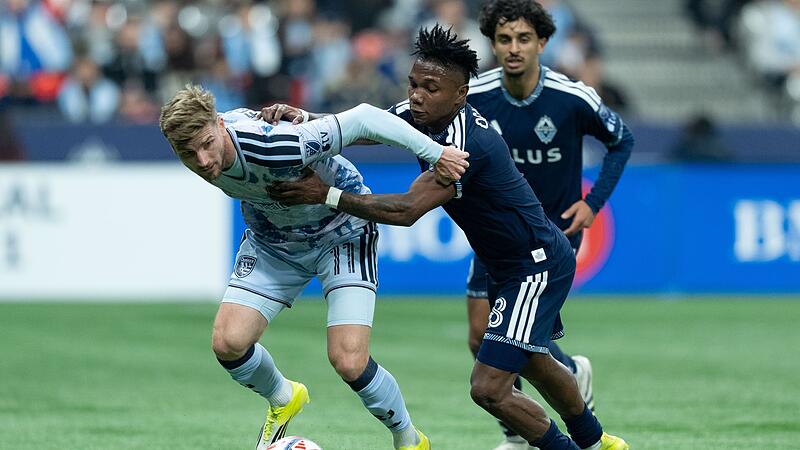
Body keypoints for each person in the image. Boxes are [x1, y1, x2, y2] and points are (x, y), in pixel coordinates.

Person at [269, 25, 628, 450]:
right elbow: (371, 126)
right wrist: (308, 120)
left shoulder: (462, 147)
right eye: (413, 84)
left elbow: (405, 211)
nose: (417, 95)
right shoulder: (426, 114)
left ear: (460, 96)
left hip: (535, 264)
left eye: (430, 88)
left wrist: (325, 194)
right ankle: (598, 442)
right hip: (509, 262)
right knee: (531, 359)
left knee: (488, 388)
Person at [158, 84, 469, 450]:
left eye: (207, 144)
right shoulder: (206, 145)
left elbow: (366, 118)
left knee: (349, 361)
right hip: (274, 242)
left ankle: (408, 440)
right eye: (188, 153)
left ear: (220, 123)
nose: (204, 161)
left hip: (341, 231)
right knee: (228, 342)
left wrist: (436, 153)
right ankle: (283, 396)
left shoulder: (275, 145)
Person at [468, 1, 635, 447]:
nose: (514, 48)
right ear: (493, 44)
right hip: (496, 235)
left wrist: (593, 204)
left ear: (542, 42)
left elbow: (622, 140)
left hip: (552, 238)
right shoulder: (475, 94)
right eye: (504, 39)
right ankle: (559, 387)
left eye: (524, 38)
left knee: (515, 342)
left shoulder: (571, 96)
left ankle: (537, 429)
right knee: (481, 339)